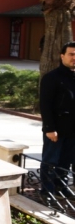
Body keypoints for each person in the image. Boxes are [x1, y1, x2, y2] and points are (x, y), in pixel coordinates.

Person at [39, 42, 75, 200]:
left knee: (66, 161)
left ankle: (61, 188)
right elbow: (45, 105)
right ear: (62, 56)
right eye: (71, 54)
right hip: (55, 130)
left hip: (72, 130)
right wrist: (49, 128)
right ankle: (46, 191)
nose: (74, 58)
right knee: (50, 161)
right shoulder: (51, 78)